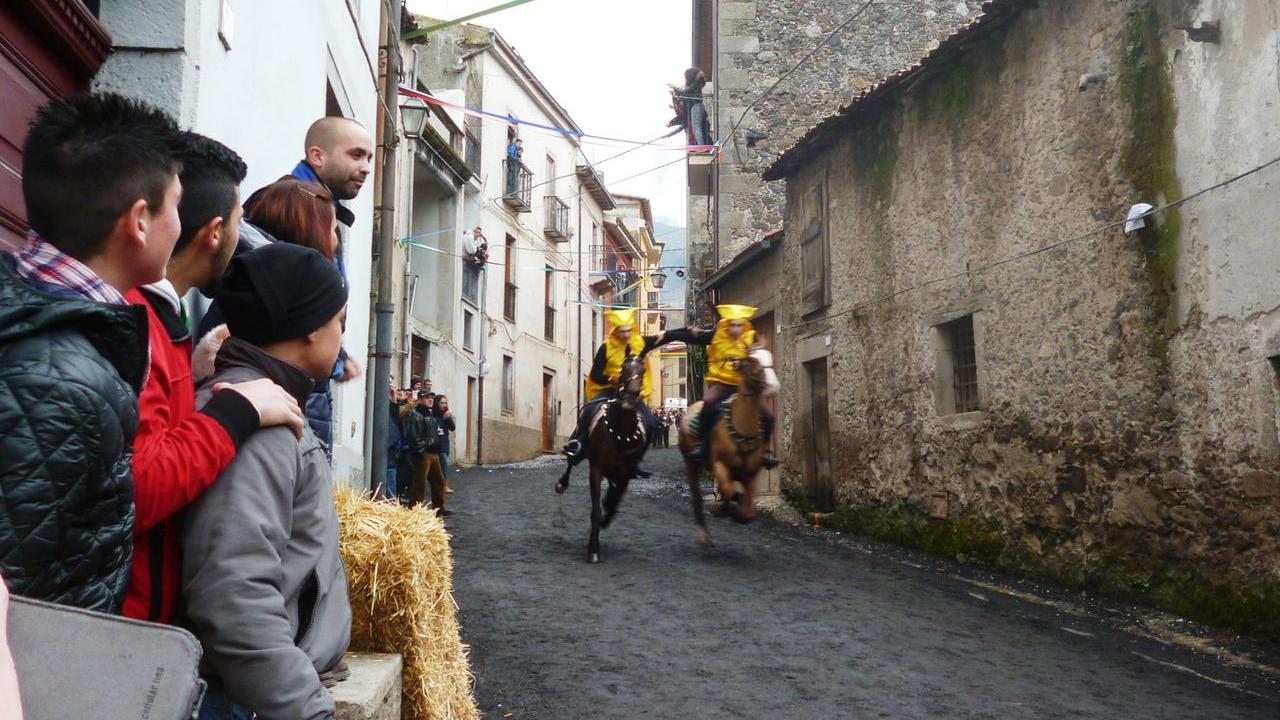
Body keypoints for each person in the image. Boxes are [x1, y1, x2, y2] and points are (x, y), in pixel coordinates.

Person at [0, 92, 183, 611]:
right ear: (140, 220)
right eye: (177, 204)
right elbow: (25, 595)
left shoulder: (44, 316)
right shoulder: (60, 382)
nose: (181, 224)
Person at [123, 133, 306, 624]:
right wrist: (237, 411)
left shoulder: (163, 317)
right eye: (240, 222)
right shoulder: (132, 321)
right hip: (122, 624)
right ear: (215, 232)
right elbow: (137, 490)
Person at [182, 243, 351, 720]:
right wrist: (306, 708)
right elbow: (234, 593)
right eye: (340, 321)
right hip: (242, 702)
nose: (342, 336)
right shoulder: (262, 426)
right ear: (311, 328)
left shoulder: (267, 404)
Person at [289, 117, 373, 459]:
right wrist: (333, 361)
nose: (366, 167)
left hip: (306, 384)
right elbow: (292, 307)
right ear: (317, 156)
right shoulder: (299, 206)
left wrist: (338, 356)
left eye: (369, 158)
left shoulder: (317, 205)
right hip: (296, 386)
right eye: (356, 155)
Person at [559, 308, 663, 488]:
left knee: (651, 423)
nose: (626, 334)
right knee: (588, 411)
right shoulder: (605, 347)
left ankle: (636, 460)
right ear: (616, 331)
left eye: (628, 330)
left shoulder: (639, 344)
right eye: (622, 331)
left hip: (629, 393)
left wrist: (686, 332)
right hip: (608, 390)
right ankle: (577, 444)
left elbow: (666, 337)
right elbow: (595, 374)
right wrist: (610, 379)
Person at [667, 304, 778, 468]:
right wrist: (668, 334)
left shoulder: (751, 337)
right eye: (733, 325)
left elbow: (759, 350)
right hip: (722, 383)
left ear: (744, 325)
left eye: (739, 325)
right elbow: (694, 337)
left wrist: (746, 361)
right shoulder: (717, 335)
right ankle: (703, 446)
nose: (736, 328)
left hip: (743, 385)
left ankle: (764, 451)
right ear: (727, 324)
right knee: (709, 403)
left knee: (769, 416)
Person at [404, 390, 449, 516]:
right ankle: (414, 510)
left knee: (439, 482)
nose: (430, 400)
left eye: (431, 398)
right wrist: (421, 450)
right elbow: (413, 435)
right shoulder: (416, 415)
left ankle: (439, 508)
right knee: (420, 483)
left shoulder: (430, 413)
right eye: (427, 398)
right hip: (423, 454)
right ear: (420, 399)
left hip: (433, 452)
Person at [669, 68, 711, 147]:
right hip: (697, 106)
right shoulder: (695, 85)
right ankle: (701, 146)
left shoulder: (694, 85)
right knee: (697, 128)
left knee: (696, 128)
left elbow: (684, 93)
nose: (685, 78)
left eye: (685, 76)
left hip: (696, 106)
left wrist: (674, 88)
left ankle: (701, 146)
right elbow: (684, 95)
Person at [434, 394, 457, 494]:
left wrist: (449, 418)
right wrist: (443, 419)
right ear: (437, 403)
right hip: (435, 444)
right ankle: (442, 485)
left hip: (444, 443)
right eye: (442, 403)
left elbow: (452, 428)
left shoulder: (446, 414)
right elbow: (434, 425)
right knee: (442, 464)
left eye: (445, 403)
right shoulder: (433, 414)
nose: (444, 405)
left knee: (444, 465)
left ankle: (443, 485)